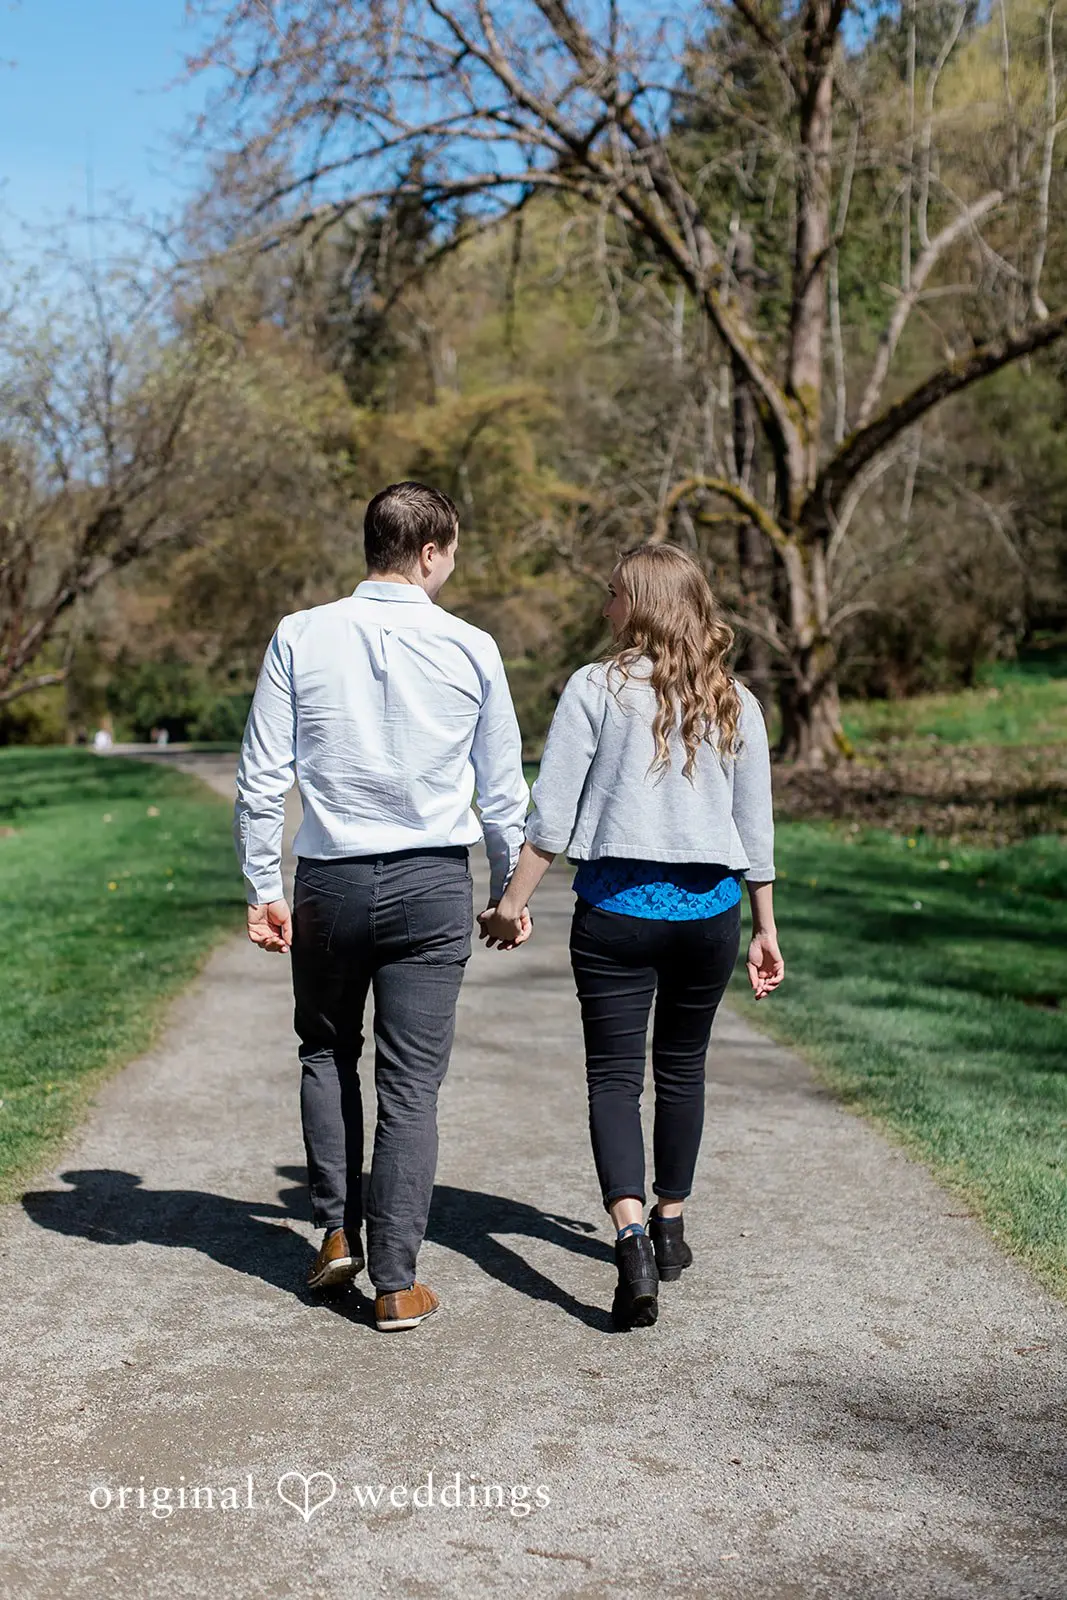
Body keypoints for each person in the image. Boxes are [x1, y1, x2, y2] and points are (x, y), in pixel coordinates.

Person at [234, 482, 529, 1332]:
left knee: (324, 1051)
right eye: (452, 553)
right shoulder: (472, 646)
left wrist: (263, 886)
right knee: (411, 1086)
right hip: (433, 882)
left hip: (330, 879)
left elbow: (263, 778)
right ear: (430, 552)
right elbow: (502, 792)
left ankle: (334, 1233)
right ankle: (396, 1284)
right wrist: (509, 893)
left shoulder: (300, 633)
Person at [479, 543, 784, 1330]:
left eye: (612, 593)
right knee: (681, 1070)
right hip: (708, 912)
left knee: (614, 1079)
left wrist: (513, 903)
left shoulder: (595, 688)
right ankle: (672, 1222)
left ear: (641, 603)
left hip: (616, 912)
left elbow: (550, 812)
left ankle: (631, 1239)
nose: (604, 606)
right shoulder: (733, 699)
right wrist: (764, 927)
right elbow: (754, 827)